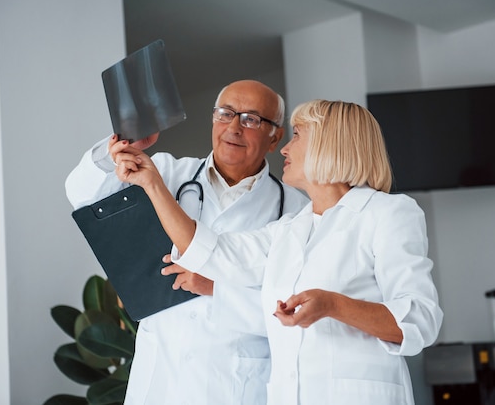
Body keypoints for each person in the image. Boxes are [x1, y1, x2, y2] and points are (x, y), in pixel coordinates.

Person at [115, 99, 444, 405]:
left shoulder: (388, 213)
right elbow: (211, 250)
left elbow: (419, 320)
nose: (285, 148)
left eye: (298, 135)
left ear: (331, 144)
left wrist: (333, 304)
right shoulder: (289, 229)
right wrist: (152, 185)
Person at [65, 79, 309, 405]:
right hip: (160, 378)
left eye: (251, 119)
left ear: (274, 137)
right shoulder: (166, 172)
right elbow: (81, 193)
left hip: (235, 383)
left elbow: (292, 313)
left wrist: (217, 289)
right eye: (225, 114)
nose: (233, 127)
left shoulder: (295, 208)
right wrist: (118, 149)